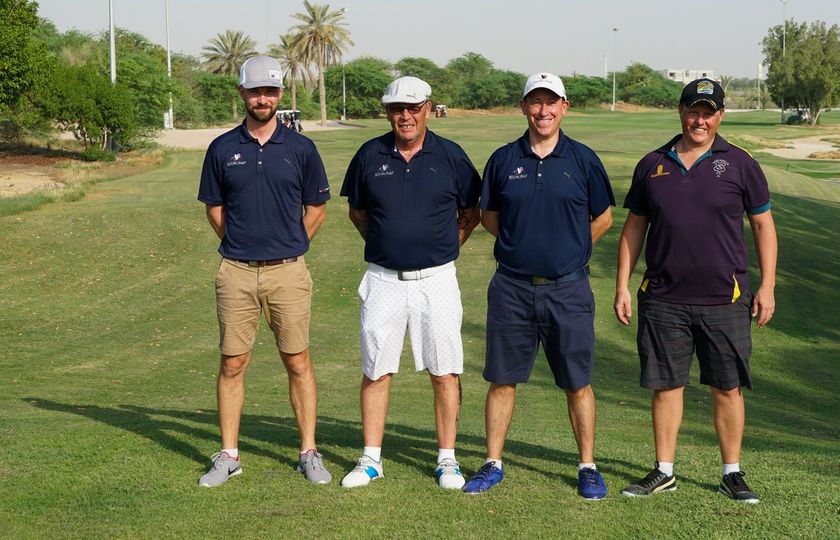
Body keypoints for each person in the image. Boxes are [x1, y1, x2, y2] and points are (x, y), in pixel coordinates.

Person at [614, 78, 778, 503]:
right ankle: (664, 470)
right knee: (666, 386)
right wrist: (622, 285)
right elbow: (634, 227)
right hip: (663, 298)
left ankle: (731, 473)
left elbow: (763, 225)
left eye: (708, 113)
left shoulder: (740, 164)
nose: (699, 120)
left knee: (727, 387)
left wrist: (767, 286)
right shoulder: (653, 164)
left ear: (720, 116)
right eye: (693, 111)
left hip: (725, 299)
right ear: (680, 112)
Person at [462, 73, 615, 499]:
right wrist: (522, 246)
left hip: (569, 289)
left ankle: (587, 466)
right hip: (511, 287)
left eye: (551, 102)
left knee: (577, 381)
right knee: (502, 379)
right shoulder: (503, 159)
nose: (543, 111)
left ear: (564, 107)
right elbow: (490, 217)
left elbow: (603, 218)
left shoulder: (583, 160)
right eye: (535, 102)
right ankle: (493, 462)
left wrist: (570, 251)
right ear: (523, 107)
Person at [339, 76, 482, 490]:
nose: (405, 116)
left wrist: (443, 247)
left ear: (428, 109)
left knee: (445, 370)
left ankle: (447, 459)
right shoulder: (369, 154)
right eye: (397, 108)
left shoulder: (451, 155)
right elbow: (358, 213)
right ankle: (371, 458)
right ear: (388, 112)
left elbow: (471, 212)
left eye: (413, 108)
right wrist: (388, 246)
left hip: (437, 280)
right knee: (376, 368)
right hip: (383, 279)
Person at [196, 55, 332, 487]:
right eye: (255, 91)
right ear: (242, 93)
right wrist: (243, 245)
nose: (263, 99)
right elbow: (215, 209)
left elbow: (316, 208)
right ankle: (229, 455)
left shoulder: (300, 148)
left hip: (288, 273)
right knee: (233, 363)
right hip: (236, 272)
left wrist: (290, 245)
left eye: (270, 91)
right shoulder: (222, 148)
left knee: (297, 360)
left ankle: (308, 451)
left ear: (280, 94)